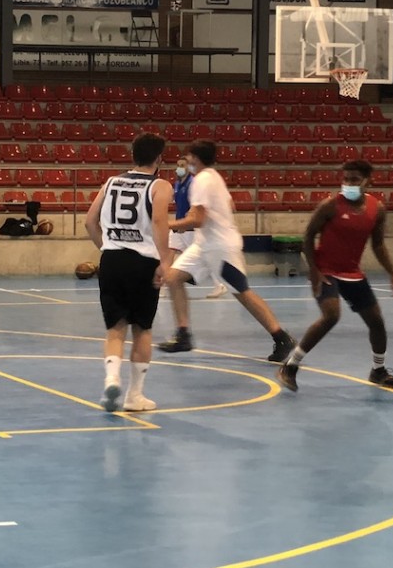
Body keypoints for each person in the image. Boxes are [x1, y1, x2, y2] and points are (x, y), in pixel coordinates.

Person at [157, 140, 296, 360]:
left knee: (243, 293)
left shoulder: (202, 180)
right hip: (204, 245)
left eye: (189, 157)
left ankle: (282, 338)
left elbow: (197, 219)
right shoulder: (213, 177)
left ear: (195, 158)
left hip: (220, 248)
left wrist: (164, 224)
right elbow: (230, 205)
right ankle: (183, 335)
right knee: (173, 278)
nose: (187, 161)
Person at [278, 160, 393, 391]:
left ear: (368, 181)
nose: (348, 183)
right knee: (331, 315)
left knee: (376, 321)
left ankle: (378, 370)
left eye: (354, 179)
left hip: (352, 273)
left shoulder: (378, 210)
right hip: (326, 271)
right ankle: (290, 365)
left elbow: (378, 245)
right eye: (345, 179)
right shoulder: (330, 205)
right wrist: (314, 272)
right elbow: (307, 237)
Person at [84, 133, 174, 412]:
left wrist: (107, 248)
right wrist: (165, 260)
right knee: (142, 329)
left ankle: (111, 379)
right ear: (159, 158)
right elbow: (159, 221)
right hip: (143, 262)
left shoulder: (110, 182)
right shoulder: (160, 186)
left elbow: (89, 221)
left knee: (114, 330)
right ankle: (135, 395)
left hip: (111, 260)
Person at [165, 157, 227, 299]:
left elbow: (196, 206)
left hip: (189, 229)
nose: (178, 168)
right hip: (178, 225)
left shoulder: (193, 183)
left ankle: (219, 285)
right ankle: (164, 285)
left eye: (182, 165)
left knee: (205, 258)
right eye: (177, 165)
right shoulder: (177, 184)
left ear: (187, 167)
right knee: (169, 252)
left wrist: (186, 221)